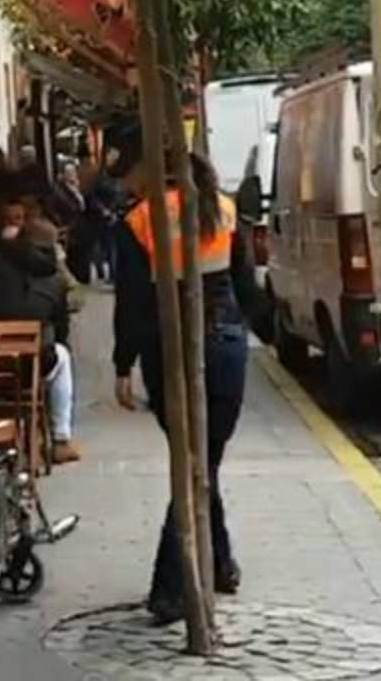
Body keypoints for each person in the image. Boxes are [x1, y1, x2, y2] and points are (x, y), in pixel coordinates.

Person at [107, 119, 267, 626]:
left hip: (166, 349)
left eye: (125, 170)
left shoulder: (139, 221)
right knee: (205, 460)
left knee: (194, 464)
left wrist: (121, 366)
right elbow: (246, 288)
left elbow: (132, 304)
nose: (123, 181)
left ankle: (171, 588)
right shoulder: (222, 208)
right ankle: (220, 563)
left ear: (145, 167)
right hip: (225, 343)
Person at [0, 217, 81, 464]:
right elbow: (61, 332)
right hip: (25, 370)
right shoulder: (54, 281)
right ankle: (61, 439)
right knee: (62, 355)